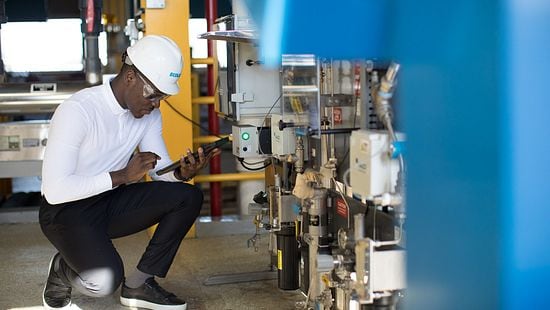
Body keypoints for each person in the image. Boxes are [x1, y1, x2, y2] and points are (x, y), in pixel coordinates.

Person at [39, 35, 220, 310]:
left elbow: (160, 173)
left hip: (108, 201)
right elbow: (55, 190)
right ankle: (62, 269)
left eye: (163, 97)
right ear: (131, 77)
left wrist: (181, 174)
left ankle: (139, 284)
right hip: (65, 211)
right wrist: (122, 176)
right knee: (103, 283)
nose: (157, 104)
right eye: (154, 94)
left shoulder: (148, 115)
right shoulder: (78, 111)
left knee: (186, 195)